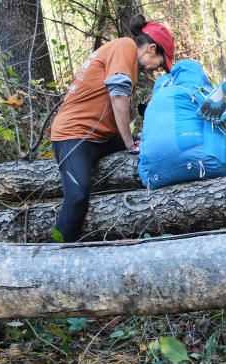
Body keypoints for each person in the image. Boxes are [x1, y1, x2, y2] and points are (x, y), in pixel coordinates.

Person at [50, 15, 176, 242]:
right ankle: (56, 249)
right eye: (160, 62)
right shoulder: (124, 46)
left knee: (145, 143)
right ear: (151, 48)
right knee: (77, 197)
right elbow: (118, 96)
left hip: (101, 137)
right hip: (73, 135)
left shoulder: (127, 58)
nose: (156, 69)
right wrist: (128, 144)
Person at [138, 60, 226, 189]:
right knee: (213, 117)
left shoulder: (155, 99)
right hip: (206, 163)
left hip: (152, 175)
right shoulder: (196, 87)